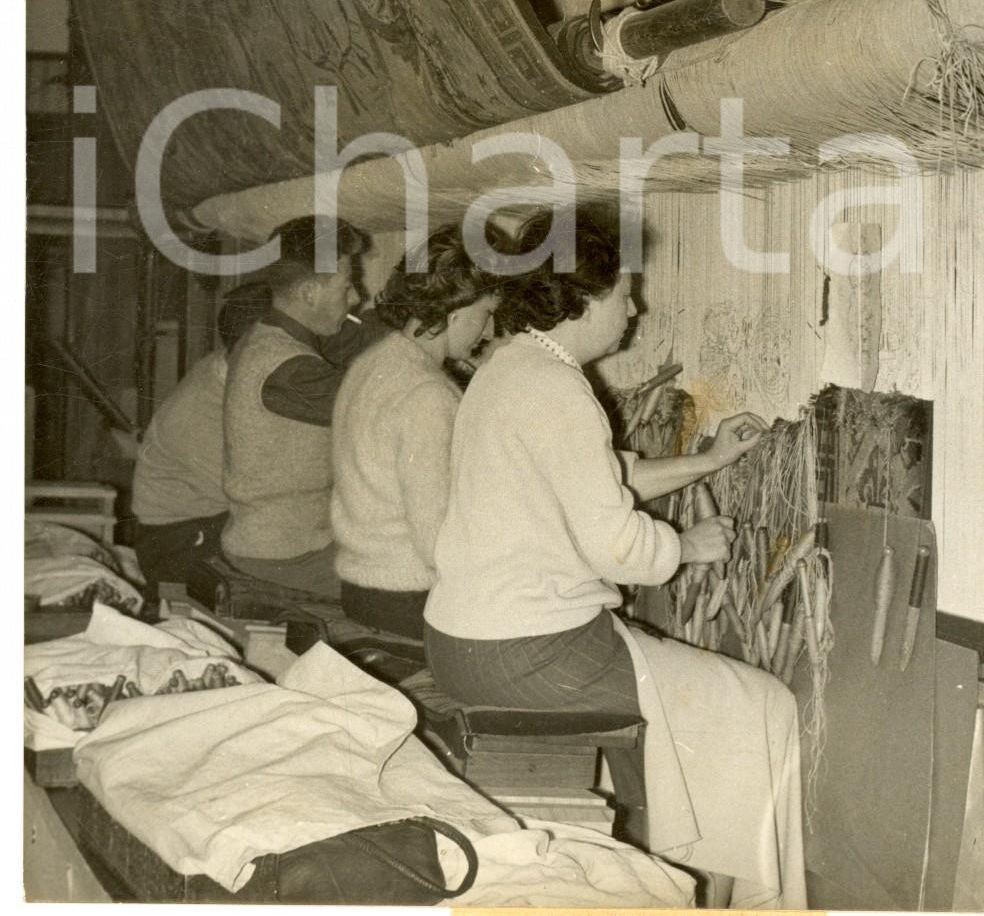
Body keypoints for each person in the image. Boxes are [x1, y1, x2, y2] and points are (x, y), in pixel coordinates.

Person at [424, 208, 806, 910]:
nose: (636, 308)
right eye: (625, 292)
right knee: (764, 703)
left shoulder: (507, 369)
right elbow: (620, 545)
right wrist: (686, 547)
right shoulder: (558, 387)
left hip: (464, 640)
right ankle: (746, 900)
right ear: (583, 297)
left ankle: (678, 873)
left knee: (694, 710)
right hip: (533, 653)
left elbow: (599, 478)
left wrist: (707, 459)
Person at [330, 225, 500, 639]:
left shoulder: (372, 362)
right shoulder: (429, 395)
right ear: (455, 314)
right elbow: (437, 544)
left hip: (361, 586)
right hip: (410, 599)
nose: (490, 331)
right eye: (486, 315)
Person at [221, 215, 381, 600]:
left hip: (277, 544)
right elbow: (382, 407)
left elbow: (344, 352)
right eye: (346, 287)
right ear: (310, 293)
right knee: (414, 590)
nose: (356, 298)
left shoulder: (266, 338)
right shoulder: (290, 369)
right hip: (287, 557)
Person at [132, 282, 271, 599]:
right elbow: (263, 498)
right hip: (177, 545)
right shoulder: (198, 411)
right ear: (251, 347)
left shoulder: (232, 369)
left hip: (215, 521)